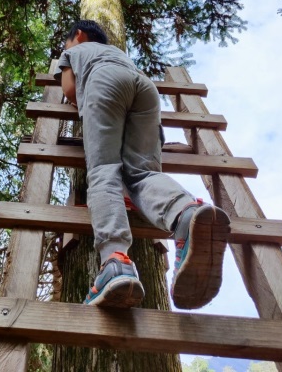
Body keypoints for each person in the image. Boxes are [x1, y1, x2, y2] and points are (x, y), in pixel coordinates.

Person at [54, 20, 230, 310]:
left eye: (67, 41)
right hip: (144, 89)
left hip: (103, 82)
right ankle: (186, 214)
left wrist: (78, 97)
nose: (66, 47)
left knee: (104, 171)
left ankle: (115, 262)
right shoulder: (118, 53)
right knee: (143, 172)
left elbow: (70, 89)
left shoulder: (77, 51)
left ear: (79, 36)